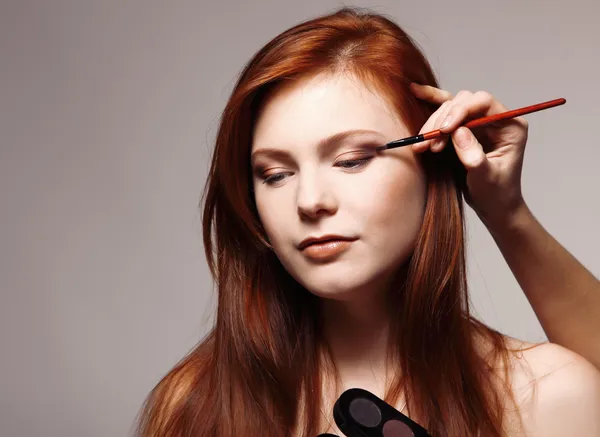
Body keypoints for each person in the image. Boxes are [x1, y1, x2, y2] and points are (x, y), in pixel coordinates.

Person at [134, 7, 600, 437]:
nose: (310, 201)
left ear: (433, 161)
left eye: (352, 160)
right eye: (275, 175)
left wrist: (506, 211)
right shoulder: (192, 405)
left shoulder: (547, 396)